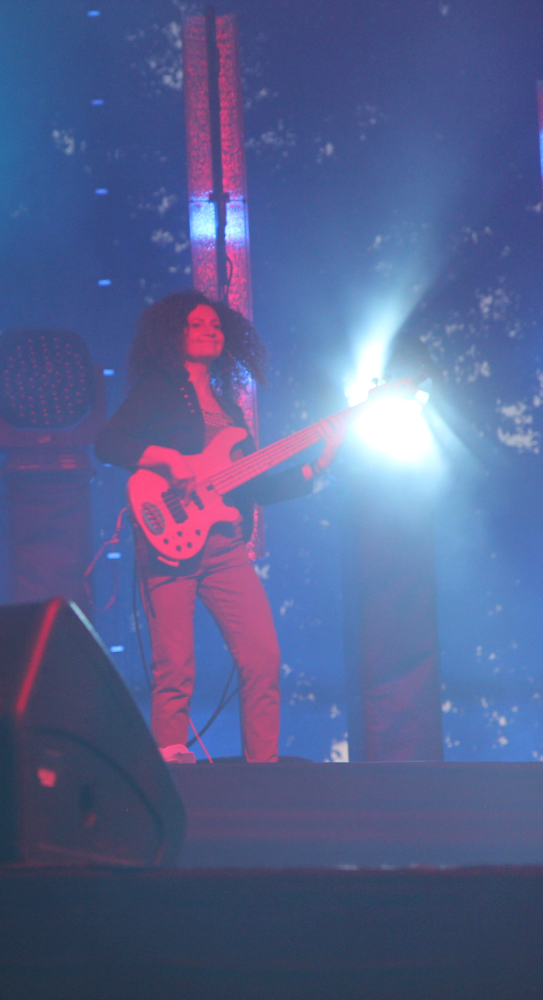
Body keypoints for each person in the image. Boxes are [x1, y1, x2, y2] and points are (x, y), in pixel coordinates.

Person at [95, 291, 341, 764]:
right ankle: (172, 766)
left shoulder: (231, 411)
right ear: (174, 334)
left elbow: (257, 487)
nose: (210, 331)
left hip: (226, 548)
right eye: (197, 324)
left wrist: (321, 463)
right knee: (173, 664)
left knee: (262, 657)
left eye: (216, 325)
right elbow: (108, 443)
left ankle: (263, 771)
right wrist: (166, 460)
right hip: (169, 542)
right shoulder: (158, 390)